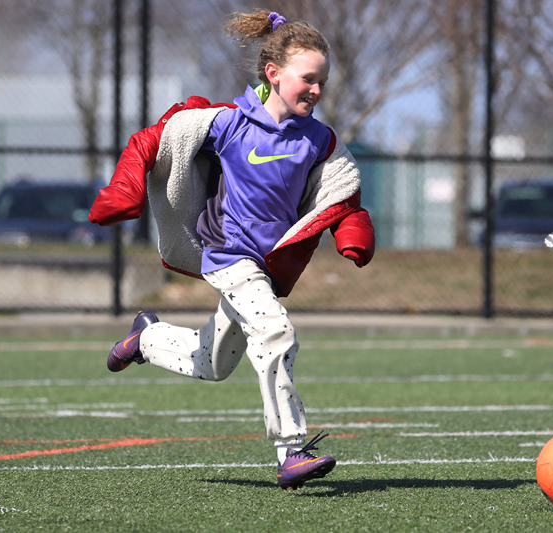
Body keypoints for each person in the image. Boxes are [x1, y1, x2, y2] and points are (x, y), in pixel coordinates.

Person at [88, 10, 375, 490]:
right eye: (308, 79)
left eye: (323, 81)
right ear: (273, 74)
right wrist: (125, 190)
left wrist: (352, 232)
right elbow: (157, 141)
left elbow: (343, 192)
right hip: (227, 255)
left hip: (262, 268)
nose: (317, 90)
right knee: (275, 333)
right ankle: (291, 450)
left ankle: (146, 338)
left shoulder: (320, 140)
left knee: (213, 363)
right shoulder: (229, 124)